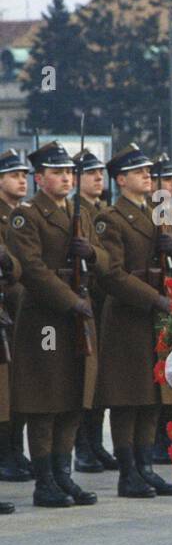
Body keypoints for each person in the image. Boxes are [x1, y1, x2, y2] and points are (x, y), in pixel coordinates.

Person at [7, 142, 110, 508]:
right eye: (57, 172)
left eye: (69, 172)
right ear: (39, 178)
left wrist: (92, 253)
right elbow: (32, 270)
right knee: (46, 400)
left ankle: (63, 476)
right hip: (46, 320)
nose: (66, 177)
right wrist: (72, 302)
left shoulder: (78, 213)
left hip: (77, 317)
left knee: (73, 395)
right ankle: (45, 480)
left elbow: (106, 256)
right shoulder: (27, 216)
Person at [94, 144, 172, 500]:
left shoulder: (157, 214)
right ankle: (128, 471)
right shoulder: (111, 218)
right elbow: (112, 274)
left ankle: (146, 468)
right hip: (129, 316)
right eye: (138, 171)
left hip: (155, 317)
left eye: (148, 170)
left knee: (152, 395)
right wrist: (155, 298)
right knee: (127, 397)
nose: (147, 175)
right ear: (121, 180)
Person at [71, 149, 115, 476]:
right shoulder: (78, 211)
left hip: (102, 299)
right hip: (85, 300)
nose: (99, 178)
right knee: (83, 378)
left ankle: (95, 444)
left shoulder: (102, 210)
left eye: (101, 173)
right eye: (92, 173)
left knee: (98, 380)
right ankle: (82, 447)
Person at [0, 149, 32, 485]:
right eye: (13, 175)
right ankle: (5, 453)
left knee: (18, 387)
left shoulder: (23, 216)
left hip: (22, 309)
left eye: (24, 175)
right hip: (8, 307)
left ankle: (14, 450)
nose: (22, 180)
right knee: (4, 390)